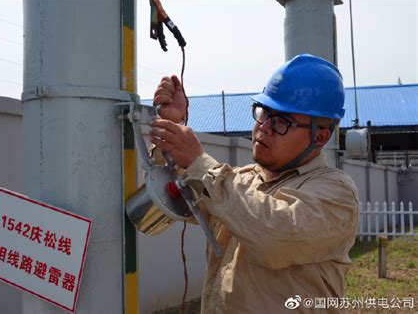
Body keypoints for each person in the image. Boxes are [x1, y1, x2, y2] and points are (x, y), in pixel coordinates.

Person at [149, 54, 359, 313]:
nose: (265, 128)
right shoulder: (242, 180)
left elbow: (275, 237)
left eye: (284, 121)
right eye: (265, 113)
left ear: (321, 136)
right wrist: (171, 127)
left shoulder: (336, 193)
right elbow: (176, 189)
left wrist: (200, 164)